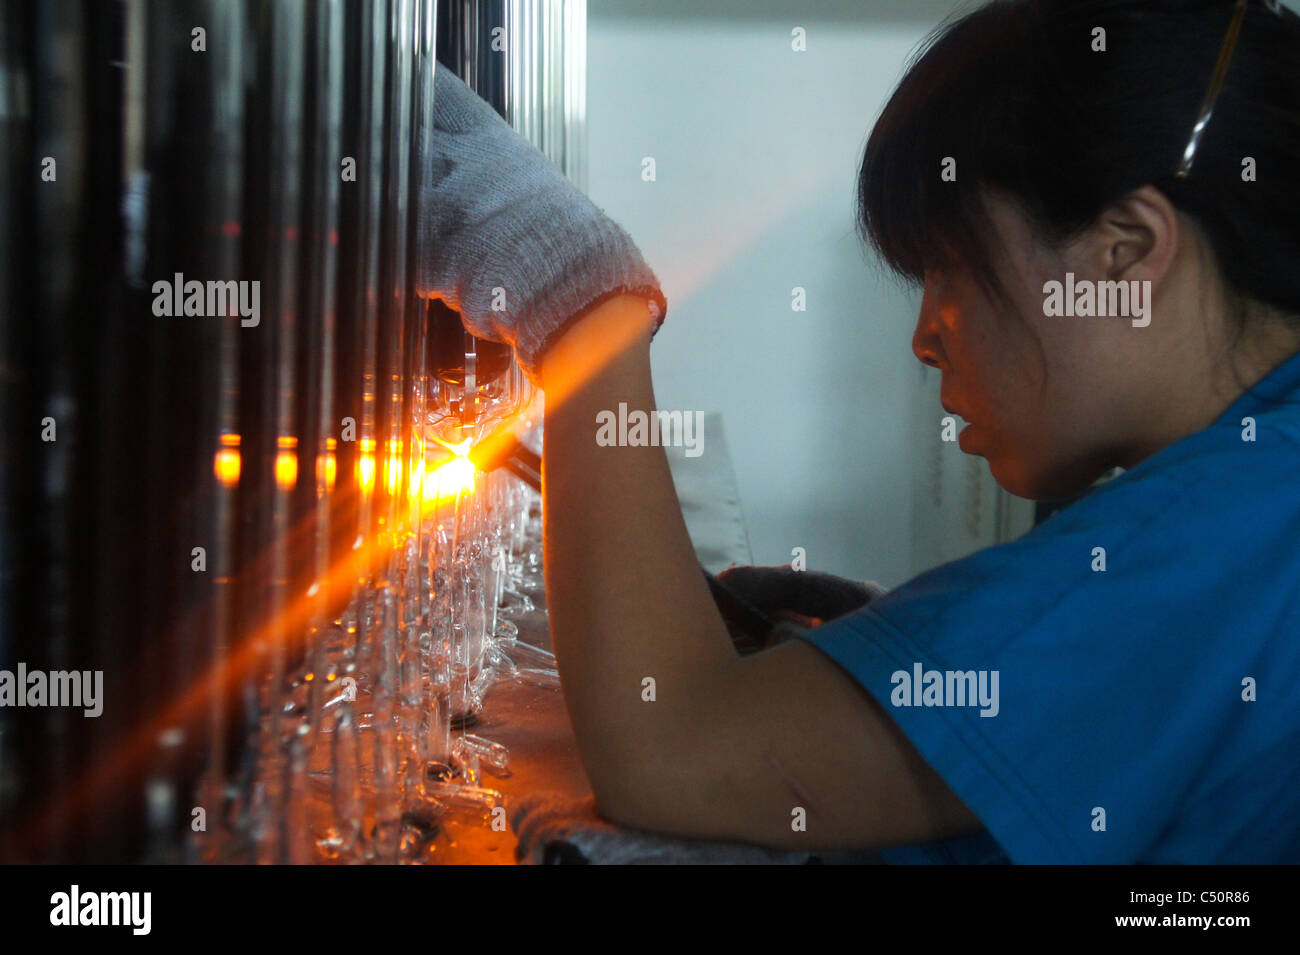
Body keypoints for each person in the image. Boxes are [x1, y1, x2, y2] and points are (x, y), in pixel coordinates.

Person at [421, 0, 1300, 864]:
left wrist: (577, 294)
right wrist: (890, 657)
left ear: (1126, 251)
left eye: (949, 269)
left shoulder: (1229, 528)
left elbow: (672, 754)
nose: (925, 337)